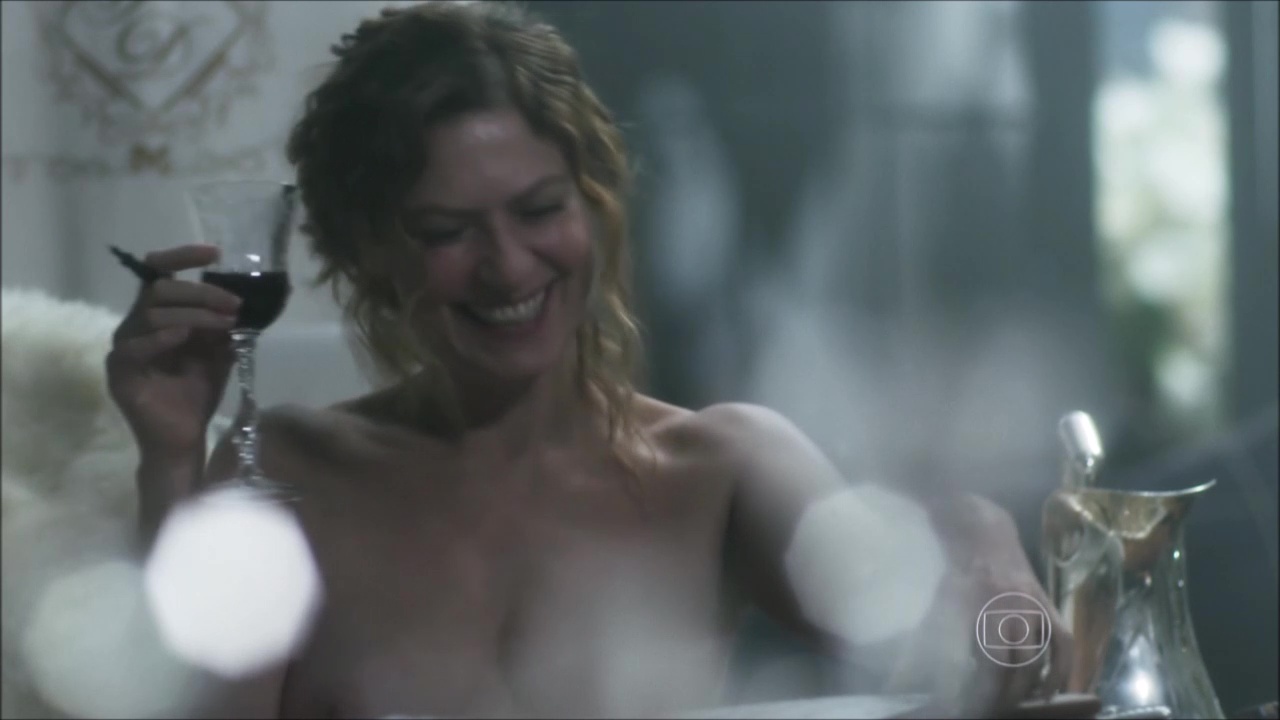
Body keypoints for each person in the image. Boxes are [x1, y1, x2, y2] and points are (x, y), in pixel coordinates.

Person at [106, 2, 1080, 718]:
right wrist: (169, 460)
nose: (507, 266)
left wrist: (980, 532)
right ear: (368, 253)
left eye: (539, 211)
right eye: (447, 231)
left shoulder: (721, 466)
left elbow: (952, 652)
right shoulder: (289, 472)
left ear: (597, 205)